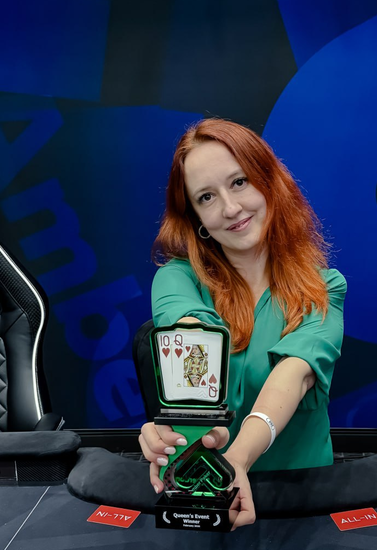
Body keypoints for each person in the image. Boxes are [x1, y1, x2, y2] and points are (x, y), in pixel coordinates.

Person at [139, 118, 346, 529]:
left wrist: (236, 458)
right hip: (208, 489)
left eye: (239, 182)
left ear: (269, 183)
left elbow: (293, 377)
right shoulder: (176, 279)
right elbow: (193, 347)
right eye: (206, 197)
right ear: (196, 217)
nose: (230, 209)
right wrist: (185, 439)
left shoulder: (326, 286)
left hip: (303, 494)